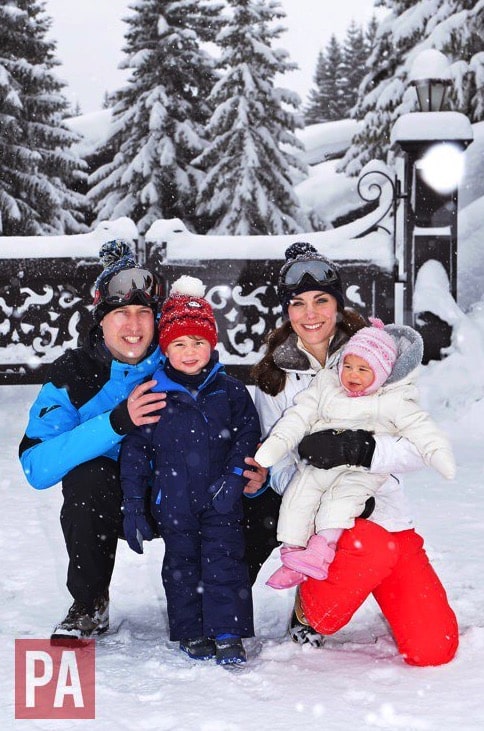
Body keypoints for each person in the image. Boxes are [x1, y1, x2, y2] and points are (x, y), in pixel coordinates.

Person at [248, 241, 458, 665]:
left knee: (434, 648)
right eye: (299, 303)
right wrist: (327, 489)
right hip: (326, 521)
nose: (311, 315)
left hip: (389, 513)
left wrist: (364, 450)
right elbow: (280, 467)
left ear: (338, 305)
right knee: (367, 551)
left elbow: (418, 445)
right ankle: (310, 612)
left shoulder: (377, 355)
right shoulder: (276, 379)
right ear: (286, 311)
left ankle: (368, 578)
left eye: (321, 301)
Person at [18, 240, 167, 642]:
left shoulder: (181, 360)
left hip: (176, 496)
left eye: (143, 313)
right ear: (100, 320)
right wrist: (115, 423)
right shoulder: (74, 372)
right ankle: (89, 604)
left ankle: (211, 604)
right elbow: (36, 466)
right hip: (114, 501)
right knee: (87, 476)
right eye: (120, 313)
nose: (133, 326)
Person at [119, 276, 261, 666]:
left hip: (221, 497)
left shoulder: (230, 391)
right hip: (174, 502)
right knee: (181, 567)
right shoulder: (153, 393)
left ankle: (228, 632)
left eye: (198, 342)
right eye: (179, 343)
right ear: (166, 348)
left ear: (211, 344)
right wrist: (134, 503)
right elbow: (135, 450)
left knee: (225, 562)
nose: (190, 351)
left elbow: (248, 435)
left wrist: (234, 476)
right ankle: (192, 629)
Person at [254, 317, 456, 589]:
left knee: (338, 505)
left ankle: (319, 551)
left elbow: (421, 434)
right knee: (297, 498)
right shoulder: (327, 388)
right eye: (348, 366)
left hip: (362, 478)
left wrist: (364, 449)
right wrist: (277, 446)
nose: (353, 374)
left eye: (363, 369)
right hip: (318, 467)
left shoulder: (392, 399)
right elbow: (297, 417)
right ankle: (293, 557)